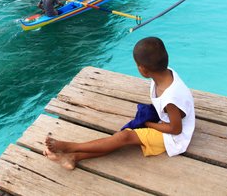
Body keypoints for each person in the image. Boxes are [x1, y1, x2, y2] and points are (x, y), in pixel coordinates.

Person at [44, 37, 195, 170]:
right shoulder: (164, 73)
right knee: (119, 139)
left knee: (124, 137)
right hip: (166, 122)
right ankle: (73, 158)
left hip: (174, 138)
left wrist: (148, 124)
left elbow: (175, 129)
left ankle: (71, 147)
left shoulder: (170, 98)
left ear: (143, 69)